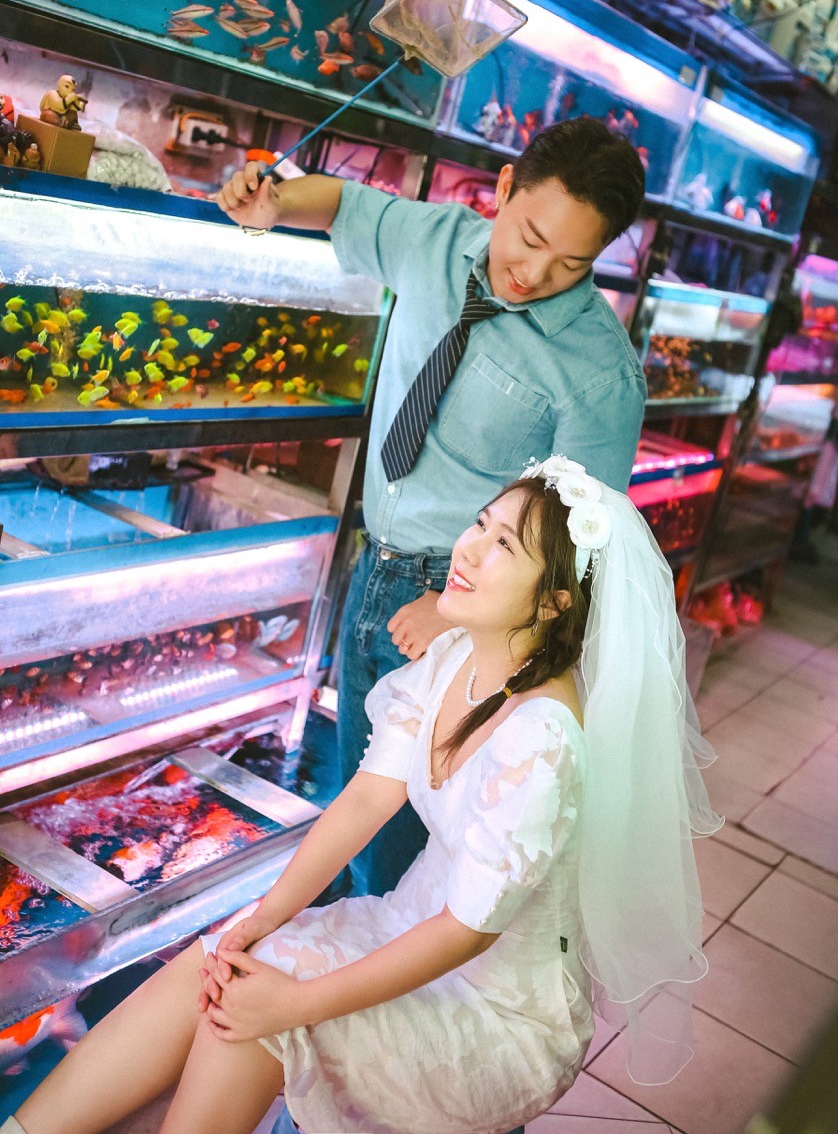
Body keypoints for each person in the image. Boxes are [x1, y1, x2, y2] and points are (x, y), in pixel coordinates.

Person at [6, 455, 720, 1134]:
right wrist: (257, 919)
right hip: (403, 926)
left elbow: (467, 932)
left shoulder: (542, 739)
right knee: (217, 961)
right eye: (479, 523)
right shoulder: (452, 658)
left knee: (254, 1026)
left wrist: (294, 1002)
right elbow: (363, 802)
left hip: (493, 1006)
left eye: (504, 544)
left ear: (555, 600)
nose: (467, 551)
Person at [215, 117, 649, 897]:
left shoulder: (598, 373)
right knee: (359, 801)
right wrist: (271, 199)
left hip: (466, 611)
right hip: (371, 564)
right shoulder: (435, 239)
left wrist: (451, 612)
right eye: (528, 237)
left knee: (408, 851)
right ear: (506, 188)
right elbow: (343, 205)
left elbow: (576, 541)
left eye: (571, 263)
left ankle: (375, 984)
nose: (533, 272)